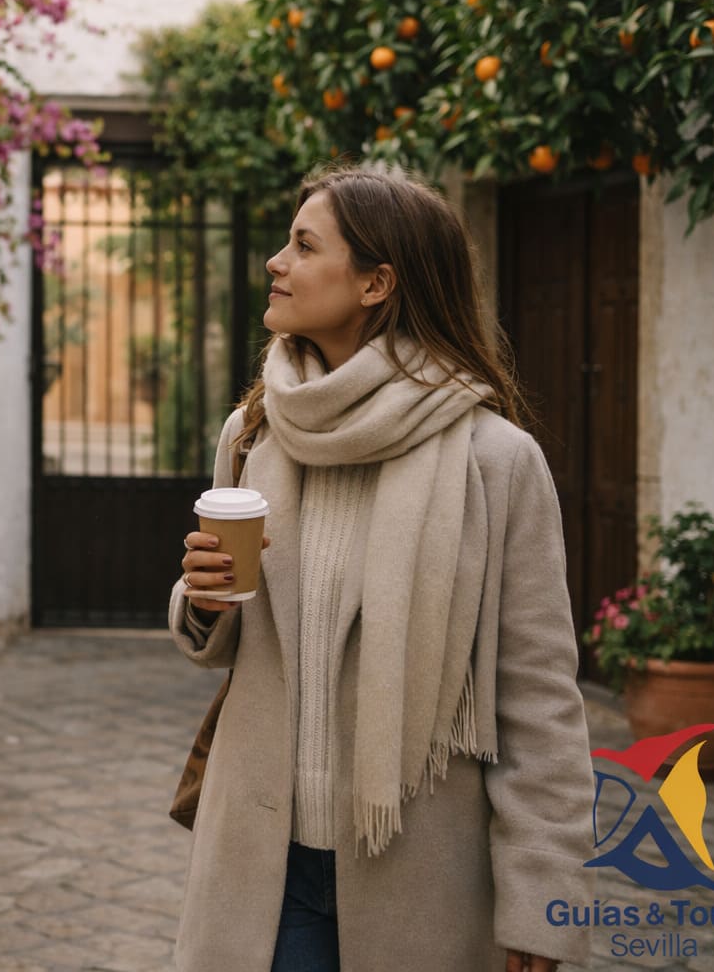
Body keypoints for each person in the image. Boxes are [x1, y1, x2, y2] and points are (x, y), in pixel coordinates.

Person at [169, 166, 596, 972]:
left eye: (303, 244)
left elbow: (539, 698)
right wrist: (202, 597)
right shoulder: (254, 433)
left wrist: (545, 899)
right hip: (265, 865)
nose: (275, 262)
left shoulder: (495, 461)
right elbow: (223, 643)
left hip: (424, 872)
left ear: (376, 281)